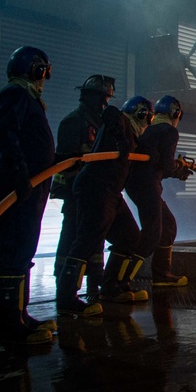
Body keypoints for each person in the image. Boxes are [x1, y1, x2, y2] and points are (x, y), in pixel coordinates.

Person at [0, 46, 57, 344]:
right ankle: (11, 329)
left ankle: (20, 316)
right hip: (15, 186)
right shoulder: (15, 94)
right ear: (36, 70)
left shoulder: (27, 98)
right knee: (13, 253)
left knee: (23, 251)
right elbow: (4, 134)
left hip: (28, 185)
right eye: (43, 72)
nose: (44, 79)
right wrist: (19, 173)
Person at [57, 96, 151, 312]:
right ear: (141, 114)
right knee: (87, 240)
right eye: (148, 117)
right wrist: (121, 139)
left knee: (130, 236)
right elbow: (110, 112)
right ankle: (66, 298)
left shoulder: (133, 136)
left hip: (111, 191)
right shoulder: (120, 120)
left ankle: (111, 287)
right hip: (96, 188)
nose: (148, 123)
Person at [51, 74, 116, 300]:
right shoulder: (73, 122)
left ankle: (95, 281)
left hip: (94, 190)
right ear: (88, 96)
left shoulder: (99, 122)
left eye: (107, 99)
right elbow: (66, 161)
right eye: (102, 98)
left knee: (95, 236)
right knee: (72, 234)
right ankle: (65, 284)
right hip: (74, 190)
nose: (105, 104)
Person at [125, 95, 191, 287]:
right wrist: (179, 168)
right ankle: (121, 280)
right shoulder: (169, 131)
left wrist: (175, 168)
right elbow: (167, 165)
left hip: (138, 185)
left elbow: (158, 162)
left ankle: (162, 274)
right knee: (152, 232)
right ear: (175, 113)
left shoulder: (150, 130)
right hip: (147, 185)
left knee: (167, 225)